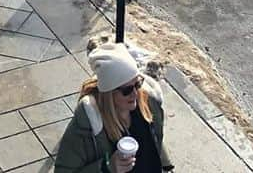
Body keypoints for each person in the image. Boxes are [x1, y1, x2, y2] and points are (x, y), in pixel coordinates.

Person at [54, 42, 175, 173]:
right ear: (109, 93)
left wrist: (166, 164)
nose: (135, 93)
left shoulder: (148, 101)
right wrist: (106, 167)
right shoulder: (87, 126)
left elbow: (153, 140)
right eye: (127, 90)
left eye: (137, 84)